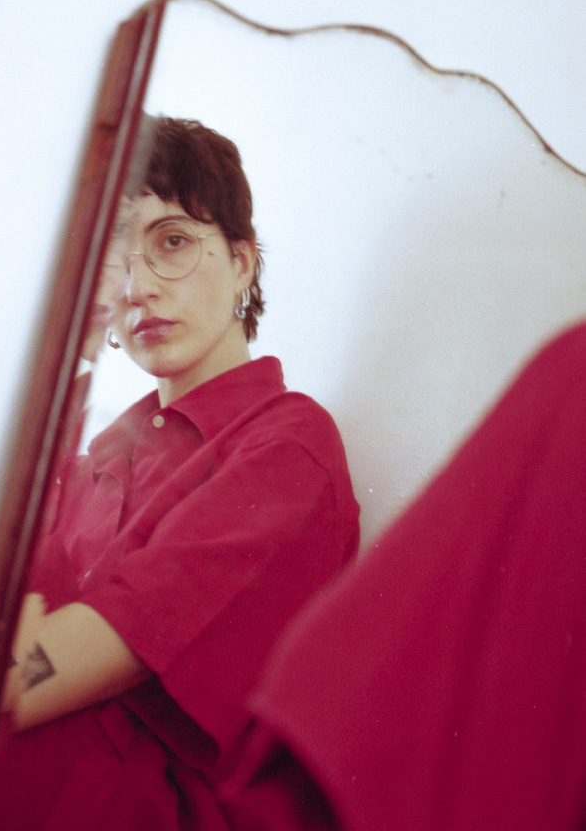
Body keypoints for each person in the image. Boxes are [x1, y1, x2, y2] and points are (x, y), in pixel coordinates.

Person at [0, 117, 360, 831]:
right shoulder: (94, 459)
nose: (138, 285)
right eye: (114, 257)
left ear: (242, 264)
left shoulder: (286, 447)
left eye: (172, 242)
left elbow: (23, 678)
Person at [223, 320, 586, 831]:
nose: (136, 290)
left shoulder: (287, 444)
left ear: (242, 275)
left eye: (173, 258)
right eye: (118, 277)